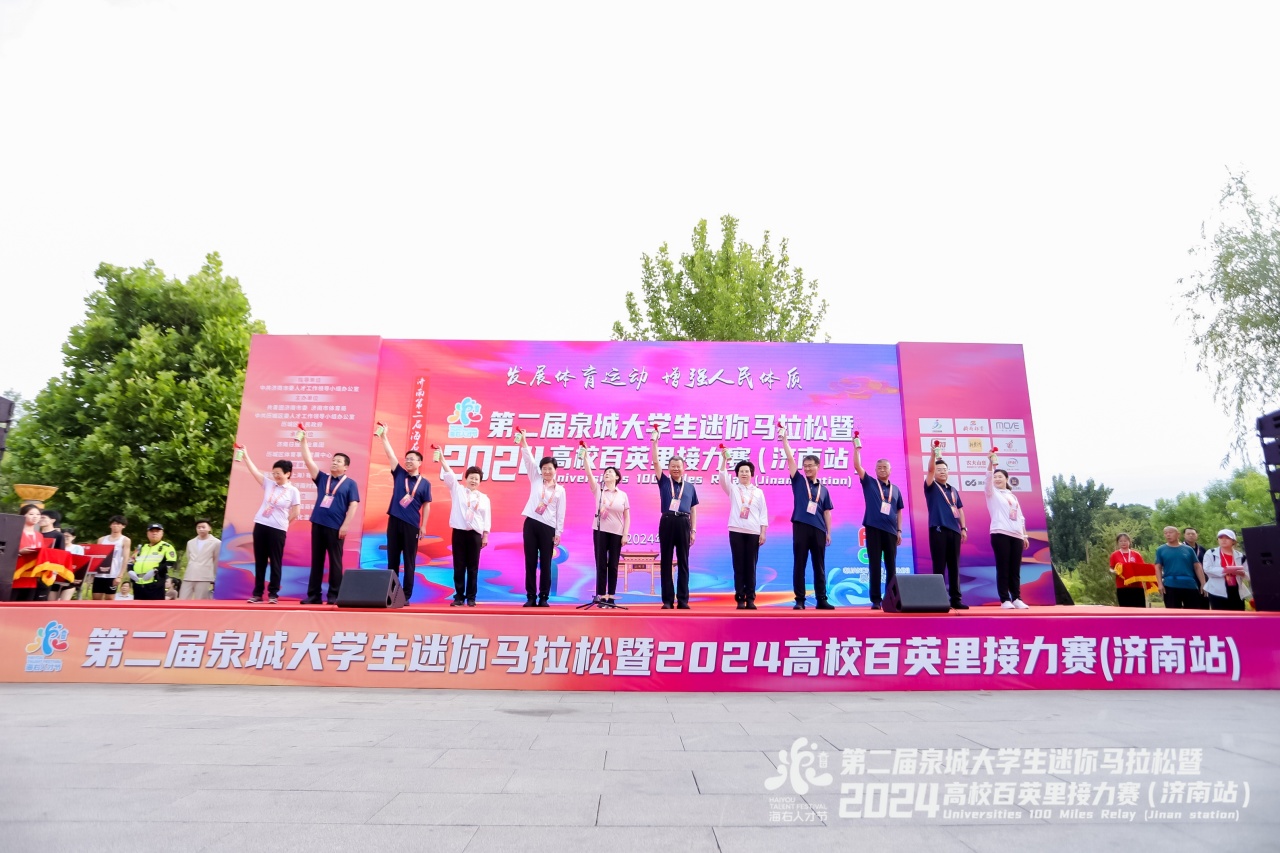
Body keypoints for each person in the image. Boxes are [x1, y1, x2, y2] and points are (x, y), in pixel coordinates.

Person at [300, 434, 361, 605]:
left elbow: (353, 505)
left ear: (346, 467)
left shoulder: (350, 484)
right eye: (333, 460)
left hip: (336, 527)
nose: (334, 463)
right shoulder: (323, 478)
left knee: (335, 562)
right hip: (318, 523)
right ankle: (314, 595)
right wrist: (303, 442)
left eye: (338, 461)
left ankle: (334, 595)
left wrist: (345, 525)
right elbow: (308, 461)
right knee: (317, 560)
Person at [780, 425, 834, 610]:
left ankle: (821, 599)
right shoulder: (798, 481)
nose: (807, 468)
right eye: (805, 466)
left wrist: (828, 532)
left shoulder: (824, 490)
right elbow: (790, 458)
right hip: (801, 526)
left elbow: (827, 512)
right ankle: (800, 600)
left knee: (819, 565)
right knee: (800, 564)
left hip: (819, 529)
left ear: (818, 467)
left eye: (811, 465)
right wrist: (785, 440)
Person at [238, 447, 302, 604]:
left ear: (288, 473)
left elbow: (296, 512)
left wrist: (284, 523)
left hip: (278, 529)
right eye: (274, 473)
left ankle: (273, 594)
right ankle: (257, 594)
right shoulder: (269, 484)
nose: (275, 476)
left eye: (278, 473)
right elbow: (254, 471)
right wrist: (246, 456)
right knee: (260, 560)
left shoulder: (293, 491)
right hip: (261, 525)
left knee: (275, 561)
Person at [378, 427, 432, 604]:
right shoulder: (399, 474)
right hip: (394, 521)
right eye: (406, 459)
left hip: (411, 525)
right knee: (392, 559)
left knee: (409, 561)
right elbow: (390, 455)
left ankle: (406, 596)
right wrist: (384, 437)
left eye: (412, 459)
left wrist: (423, 526)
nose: (408, 461)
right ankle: (391, 594)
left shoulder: (425, 484)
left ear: (419, 462)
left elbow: (427, 505)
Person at [650, 426, 699, 609]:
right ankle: (668, 600)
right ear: (669, 469)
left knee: (684, 562)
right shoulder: (663, 481)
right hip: (667, 521)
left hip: (684, 523)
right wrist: (655, 443)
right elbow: (655, 462)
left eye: (678, 466)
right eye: (673, 466)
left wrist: (693, 530)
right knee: (666, 561)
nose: (676, 469)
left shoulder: (690, 487)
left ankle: (683, 600)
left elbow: (693, 509)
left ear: (683, 468)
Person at [517, 430, 566, 607]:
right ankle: (531, 596)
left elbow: (561, 512)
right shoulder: (536, 480)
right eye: (544, 468)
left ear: (555, 470)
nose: (546, 471)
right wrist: (523, 441)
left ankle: (544, 596)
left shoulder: (560, 490)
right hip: (531, 523)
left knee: (546, 563)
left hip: (548, 528)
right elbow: (528, 460)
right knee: (530, 561)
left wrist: (558, 533)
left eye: (549, 468)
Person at [853, 438, 903, 610]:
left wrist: (899, 530)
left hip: (891, 531)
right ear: (875, 470)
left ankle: (891, 598)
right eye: (879, 467)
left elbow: (899, 511)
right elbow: (857, 466)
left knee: (891, 566)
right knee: (874, 564)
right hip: (873, 529)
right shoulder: (870, 483)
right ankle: (875, 599)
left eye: (885, 467)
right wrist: (856, 449)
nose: (882, 469)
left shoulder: (896, 490)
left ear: (890, 470)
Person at [438, 453, 492, 606]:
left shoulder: (484, 498)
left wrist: (485, 535)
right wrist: (442, 459)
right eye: (471, 478)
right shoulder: (458, 490)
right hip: (459, 533)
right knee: (459, 566)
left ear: (480, 481)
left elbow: (486, 517)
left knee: (473, 567)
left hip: (475, 535)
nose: (473, 481)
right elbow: (449, 475)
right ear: (466, 478)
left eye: (476, 479)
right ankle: (459, 596)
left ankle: (471, 597)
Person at [717, 452, 767, 610]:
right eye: (741, 471)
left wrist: (763, 532)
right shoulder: (733, 489)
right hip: (736, 531)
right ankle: (740, 598)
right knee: (738, 565)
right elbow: (722, 476)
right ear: (737, 474)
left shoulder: (758, 492)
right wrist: (724, 460)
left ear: (751, 474)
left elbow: (763, 513)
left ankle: (750, 598)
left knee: (751, 567)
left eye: (747, 471)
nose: (744, 474)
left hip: (753, 532)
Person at [585, 450, 631, 608]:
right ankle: (601, 597)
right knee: (601, 564)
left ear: (617, 477)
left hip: (617, 533)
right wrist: (585, 457)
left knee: (613, 565)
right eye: (605, 472)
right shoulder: (598, 491)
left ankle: (611, 597)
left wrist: (625, 534)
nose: (607, 474)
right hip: (600, 532)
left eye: (610, 472)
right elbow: (589, 474)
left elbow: (627, 517)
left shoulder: (623, 495)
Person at [924, 455, 968, 610]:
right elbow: (930, 470)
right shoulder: (931, 486)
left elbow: (960, 510)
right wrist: (933, 454)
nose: (942, 472)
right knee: (939, 566)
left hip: (954, 531)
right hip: (938, 529)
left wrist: (963, 528)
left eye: (944, 469)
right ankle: (939, 599)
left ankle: (956, 599)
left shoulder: (953, 490)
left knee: (954, 566)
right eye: (939, 469)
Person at [985, 456, 1029, 609]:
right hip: (1000, 533)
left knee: (1015, 569)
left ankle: (1016, 598)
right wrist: (991, 463)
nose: (997, 479)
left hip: (1016, 535)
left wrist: (1024, 535)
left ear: (1006, 479)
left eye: (1000, 477)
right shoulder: (992, 493)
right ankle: (1005, 599)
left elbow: (1020, 517)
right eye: (995, 477)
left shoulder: (1012, 496)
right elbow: (988, 479)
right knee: (1003, 567)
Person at [1154, 525, 1207, 609]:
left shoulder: (1188, 549)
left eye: (1170, 532)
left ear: (1178, 534)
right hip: (1170, 584)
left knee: (1193, 611)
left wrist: (1203, 583)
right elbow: (1158, 567)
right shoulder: (1161, 549)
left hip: (1189, 584)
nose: (1168, 535)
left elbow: (1197, 566)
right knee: (1173, 612)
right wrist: (1160, 584)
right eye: (1165, 533)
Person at [1202, 528, 1250, 612]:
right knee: (1220, 616)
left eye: (1227, 538)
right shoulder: (1211, 553)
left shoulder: (1241, 556)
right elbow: (1207, 569)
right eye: (1221, 537)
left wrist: (1242, 573)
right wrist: (1225, 570)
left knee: (1238, 615)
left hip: (1236, 590)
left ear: (1233, 541)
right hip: (1217, 591)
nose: (1223, 540)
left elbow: (1249, 574)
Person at [129, 522, 178, 601]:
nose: (154, 533)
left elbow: (170, 562)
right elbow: (131, 561)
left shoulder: (166, 547)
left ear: (162, 533)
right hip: (138, 583)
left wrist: (156, 570)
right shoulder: (141, 547)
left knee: (154, 607)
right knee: (138, 607)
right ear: (147, 533)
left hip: (155, 583)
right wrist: (130, 570)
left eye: (157, 531)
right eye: (152, 531)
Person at [10, 504, 48, 601]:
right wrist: (19, 552)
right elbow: (5, 551)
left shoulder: (39, 535)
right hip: (15, 575)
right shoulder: (14, 532)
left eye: (38, 514)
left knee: (27, 604)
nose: (35, 517)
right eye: (31, 514)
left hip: (32, 576)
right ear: (23, 516)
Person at [179, 519, 221, 600]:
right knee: (183, 598)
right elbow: (189, 557)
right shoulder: (190, 542)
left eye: (203, 527)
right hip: (189, 575)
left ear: (209, 528)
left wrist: (214, 575)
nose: (201, 529)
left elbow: (216, 560)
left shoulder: (216, 543)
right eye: (198, 527)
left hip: (205, 576)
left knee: (201, 600)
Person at [93, 515, 130, 601]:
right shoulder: (101, 540)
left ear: (123, 526)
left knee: (109, 598)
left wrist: (120, 576)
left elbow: (125, 558)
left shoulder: (125, 540)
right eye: (113, 523)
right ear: (110, 525)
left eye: (118, 524)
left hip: (113, 574)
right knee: (96, 598)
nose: (115, 526)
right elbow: (97, 557)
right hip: (100, 573)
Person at [1109, 533, 1147, 608]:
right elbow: (1111, 568)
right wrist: (1113, 571)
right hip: (1122, 586)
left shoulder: (1136, 554)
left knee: (1139, 609)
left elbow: (1143, 567)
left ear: (1129, 542)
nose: (1123, 543)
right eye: (1121, 541)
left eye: (1125, 541)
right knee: (1125, 609)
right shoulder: (1114, 555)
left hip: (1136, 586)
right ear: (1117, 543)